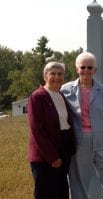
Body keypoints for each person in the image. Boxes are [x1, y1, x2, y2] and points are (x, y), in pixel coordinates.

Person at [61, 52, 103, 199]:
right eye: (83, 67)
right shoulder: (65, 90)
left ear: (95, 70)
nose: (86, 71)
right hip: (78, 142)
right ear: (77, 69)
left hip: (102, 141)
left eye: (89, 67)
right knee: (79, 183)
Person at [28, 62, 76, 199]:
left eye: (60, 74)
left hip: (64, 150)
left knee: (61, 191)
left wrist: (70, 149)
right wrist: (52, 156)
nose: (57, 77)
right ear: (45, 76)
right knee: (46, 192)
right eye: (52, 73)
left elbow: (66, 122)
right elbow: (37, 129)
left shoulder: (60, 96)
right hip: (45, 156)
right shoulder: (37, 96)